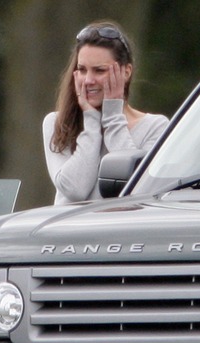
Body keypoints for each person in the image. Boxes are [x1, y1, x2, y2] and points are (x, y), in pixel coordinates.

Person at [43, 20, 170, 205]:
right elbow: (75, 189)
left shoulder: (155, 127)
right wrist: (92, 121)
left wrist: (112, 117)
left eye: (99, 70)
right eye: (82, 69)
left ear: (126, 72)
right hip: (69, 232)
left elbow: (135, 188)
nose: (88, 80)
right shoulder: (57, 122)